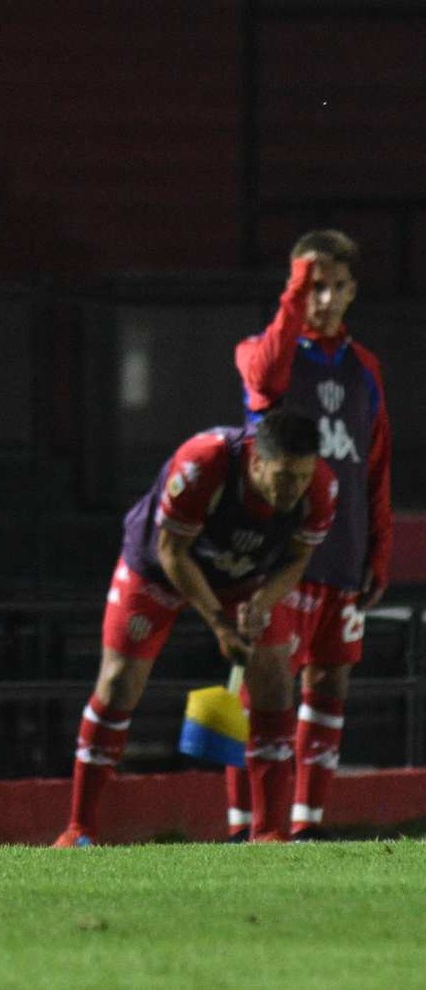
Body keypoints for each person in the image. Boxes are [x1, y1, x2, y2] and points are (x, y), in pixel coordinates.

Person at [54, 411, 337, 847]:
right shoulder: (204, 463)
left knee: (275, 685)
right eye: (283, 476)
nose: (293, 488)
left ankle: (268, 834)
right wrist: (220, 626)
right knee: (117, 685)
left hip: (245, 578)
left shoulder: (320, 488)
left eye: (301, 476)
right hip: (158, 569)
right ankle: (79, 829)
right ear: (257, 463)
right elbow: (172, 552)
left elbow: (297, 558)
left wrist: (262, 602)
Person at [224, 230, 392, 841]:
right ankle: (245, 822)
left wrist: (380, 548)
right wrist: (293, 292)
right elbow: (266, 380)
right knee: (266, 684)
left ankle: (306, 824)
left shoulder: (364, 368)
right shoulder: (263, 349)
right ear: (298, 286)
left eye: (336, 286)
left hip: (341, 549)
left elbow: (375, 464)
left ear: (353, 291)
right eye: (314, 286)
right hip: (273, 553)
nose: (324, 299)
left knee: (329, 681)